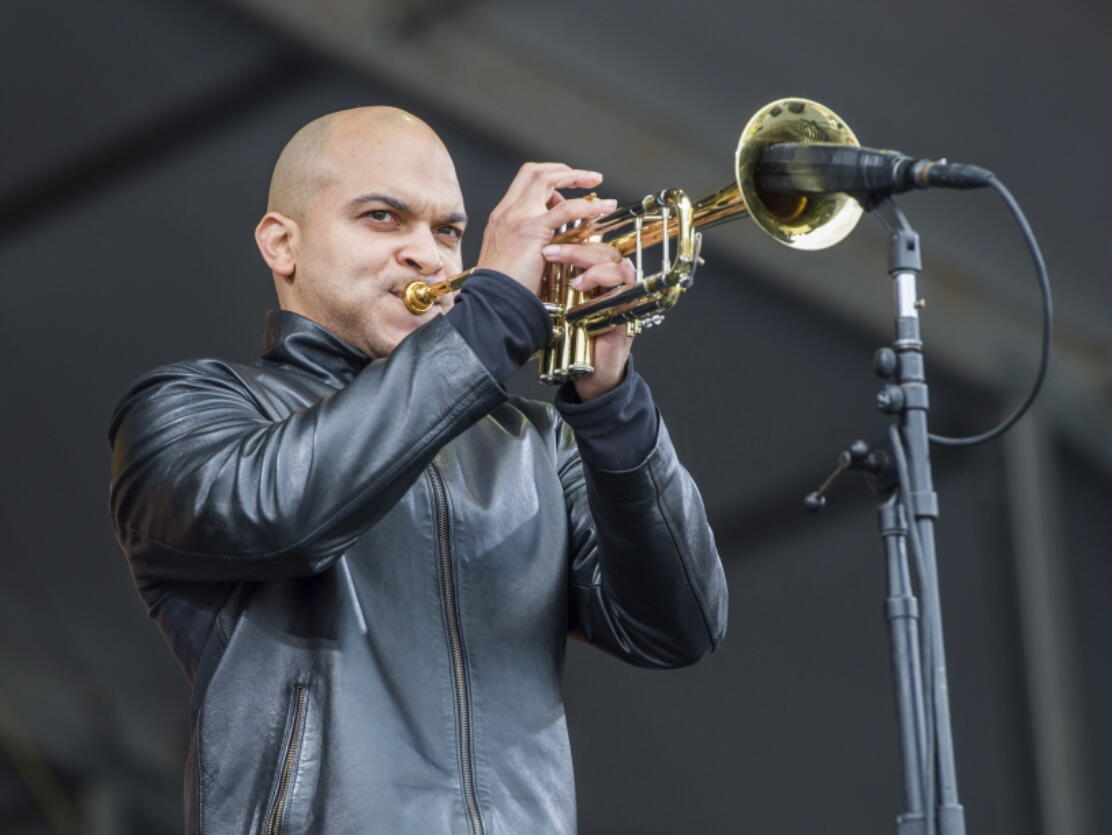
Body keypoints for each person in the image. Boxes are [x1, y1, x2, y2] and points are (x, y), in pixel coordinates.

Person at [107, 105, 727, 834]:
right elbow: (283, 512)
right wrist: (495, 310)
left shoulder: (537, 443)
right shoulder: (190, 407)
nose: (429, 256)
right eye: (382, 217)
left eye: (449, 232)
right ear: (283, 244)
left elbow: (676, 625)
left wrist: (612, 398)